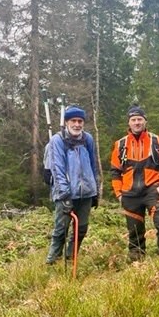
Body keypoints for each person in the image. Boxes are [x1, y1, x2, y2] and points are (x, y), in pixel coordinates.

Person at [110, 106, 159, 262]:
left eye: (140, 119)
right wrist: (119, 193)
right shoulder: (120, 144)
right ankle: (136, 261)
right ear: (129, 123)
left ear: (145, 121)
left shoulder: (156, 140)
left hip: (152, 190)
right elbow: (115, 171)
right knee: (134, 230)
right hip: (130, 193)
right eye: (133, 120)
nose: (137, 123)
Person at [46, 106, 99, 265]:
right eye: (73, 121)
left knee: (81, 228)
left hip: (86, 193)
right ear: (67, 122)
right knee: (61, 230)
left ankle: (71, 257)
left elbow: (93, 164)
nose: (77, 124)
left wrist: (95, 190)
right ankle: (52, 261)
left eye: (80, 121)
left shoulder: (88, 138)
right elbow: (57, 168)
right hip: (66, 193)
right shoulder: (57, 140)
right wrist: (64, 194)